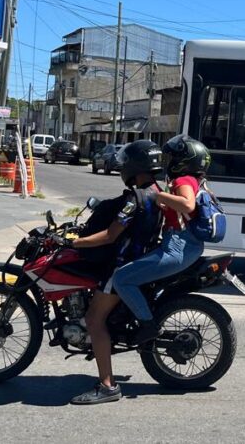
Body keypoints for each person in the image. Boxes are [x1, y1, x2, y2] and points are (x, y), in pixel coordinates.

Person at [66, 139, 165, 405]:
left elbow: (111, 236)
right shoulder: (157, 191)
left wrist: (75, 242)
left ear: (135, 167)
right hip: (138, 259)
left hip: (122, 264)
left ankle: (108, 386)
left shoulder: (136, 199)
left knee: (94, 319)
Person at [109, 134, 208, 346]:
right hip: (185, 245)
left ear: (185, 161)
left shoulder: (182, 180)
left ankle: (148, 325)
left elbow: (188, 205)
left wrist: (157, 196)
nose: (169, 163)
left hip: (177, 248)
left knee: (121, 279)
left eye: (173, 159)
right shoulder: (194, 180)